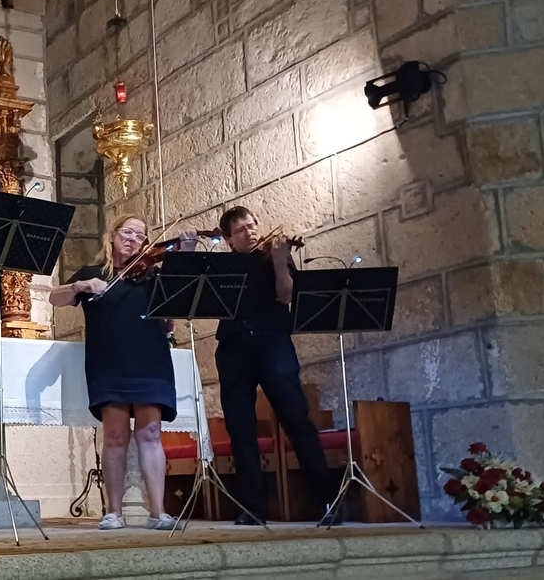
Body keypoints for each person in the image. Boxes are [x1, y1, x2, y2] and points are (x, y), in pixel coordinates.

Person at [209, 205, 340, 526]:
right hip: (233, 347)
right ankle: (253, 507)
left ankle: (325, 501)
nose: (251, 231)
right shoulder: (222, 265)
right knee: (241, 428)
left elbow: (286, 295)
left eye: (253, 225)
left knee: (297, 418)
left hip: (273, 343)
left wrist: (281, 261)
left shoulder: (274, 256)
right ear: (228, 238)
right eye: (241, 229)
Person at [48, 214, 178, 531]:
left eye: (140, 235)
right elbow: (56, 297)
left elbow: (174, 312)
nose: (132, 239)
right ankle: (114, 512)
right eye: (127, 232)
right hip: (109, 360)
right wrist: (79, 285)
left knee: (150, 434)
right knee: (116, 437)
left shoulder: (153, 276)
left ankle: (157, 512)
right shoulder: (95, 274)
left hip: (150, 359)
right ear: (112, 235)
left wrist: (182, 255)